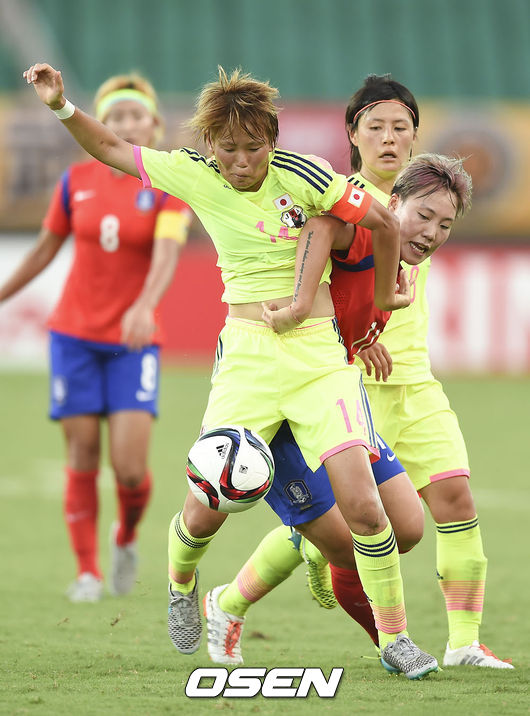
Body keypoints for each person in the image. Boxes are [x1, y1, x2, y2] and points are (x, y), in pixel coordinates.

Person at [23, 61, 439, 679]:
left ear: (272, 139)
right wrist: (60, 105)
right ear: (209, 145)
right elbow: (110, 146)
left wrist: (383, 295)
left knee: (364, 508)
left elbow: (379, 221)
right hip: (247, 358)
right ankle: (181, 586)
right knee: (204, 511)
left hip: (319, 359)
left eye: (254, 147)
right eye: (228, 149)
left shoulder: (307, 175)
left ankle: (395, 639)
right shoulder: (194, 173)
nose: (242, 162)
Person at [208, 74, 512, 670]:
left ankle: (464, 644)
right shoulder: (339, 198)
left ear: (416, 135)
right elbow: (308, 274)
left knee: (453, 498)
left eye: (401, 127)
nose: (389, 138)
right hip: (349, 386)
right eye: (376, 127)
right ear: (353, 133)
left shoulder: (425, 196)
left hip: (415, 381)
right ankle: (237, 598)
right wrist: (351, 337)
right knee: (346, 530)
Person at [2, 72, 192, 602]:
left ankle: (125, 536)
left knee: (130, 470)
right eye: (115, 116)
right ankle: (86, 572)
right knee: (82, 454)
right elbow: (43, 251)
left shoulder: (169, 185)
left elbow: (167, 254)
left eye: (137, 115)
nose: (127, 124)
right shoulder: (75, 182)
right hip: (74, 338)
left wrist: (144, 306)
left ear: (155, 125)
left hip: (133, 342)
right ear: (100, 126)